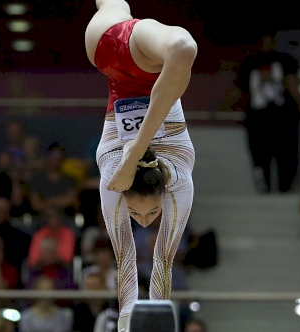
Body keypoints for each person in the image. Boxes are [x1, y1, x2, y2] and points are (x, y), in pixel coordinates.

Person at [84, 1, 197, 331]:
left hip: (113, 49)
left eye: (137, 214)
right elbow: (162, 259)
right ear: (166, 192)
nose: (146, 223)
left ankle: (134, 150)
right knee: (182, 46)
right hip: (141, 56)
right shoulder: (179, 181)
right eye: (149, 214)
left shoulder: (112, 178)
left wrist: (126, 323)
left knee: (182, 47)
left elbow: (127, 261)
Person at [237, 33, 300, 193]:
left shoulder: (285, 61)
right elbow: (240, 90)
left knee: (285, 153)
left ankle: (285, 186)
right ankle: (263, 185)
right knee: (260, 153)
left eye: (269, 40)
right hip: (258, 118)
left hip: (282, 116)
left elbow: (292, 84)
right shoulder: (249, 63)